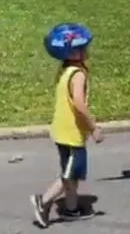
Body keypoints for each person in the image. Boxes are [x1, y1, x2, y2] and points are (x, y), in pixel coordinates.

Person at [30, 23, 104, 228]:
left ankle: (71, 209)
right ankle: (43, 202)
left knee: (71, 174)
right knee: (69, 175)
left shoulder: (65, 70)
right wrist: (93, 127)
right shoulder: (78, 74)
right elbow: (79, 104)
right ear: (72, 51)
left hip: (62, 132)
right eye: (83, 47)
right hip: (72, 135)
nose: (87, 50)